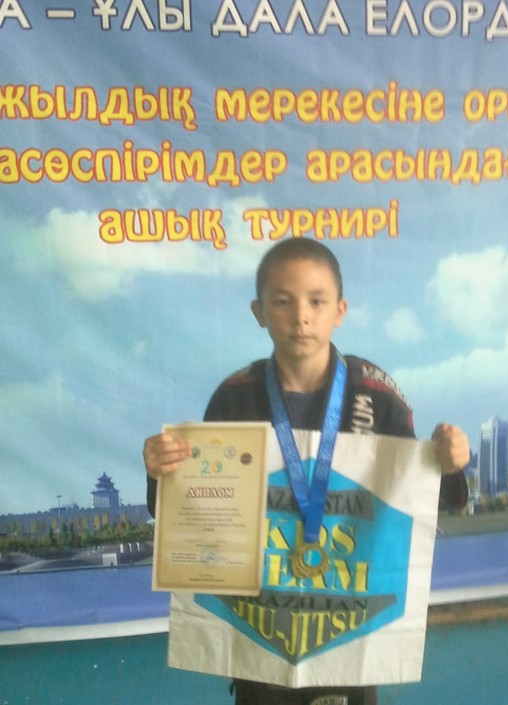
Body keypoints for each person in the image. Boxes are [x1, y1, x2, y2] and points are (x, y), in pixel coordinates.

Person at [143, 238, 471, 705]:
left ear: (340, 310)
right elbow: (192, 513)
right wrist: (162, 473)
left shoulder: (377, 396)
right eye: (283, 301)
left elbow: (426, 499)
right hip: (261, 626)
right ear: (259, 312)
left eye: (316, 301)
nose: (301, 316)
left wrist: (451, 466)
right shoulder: (235, 399)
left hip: (349, 627)